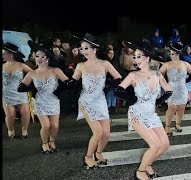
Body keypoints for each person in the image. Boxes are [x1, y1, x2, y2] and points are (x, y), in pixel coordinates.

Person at [115, 40, 172, 180]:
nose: (136, 59)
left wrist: (158, 102)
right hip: (137, 114)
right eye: (134, 56)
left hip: (151, 114)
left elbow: (169, 91)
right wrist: (131, 99)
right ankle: (140, 173)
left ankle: (147, 164)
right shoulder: (133, 75)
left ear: (147, 58)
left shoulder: (157, 74)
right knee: (155, 145)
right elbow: (118, 90)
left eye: (139, 56)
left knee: (164, 144)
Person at [71, 33, 122, 169]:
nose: (83, 51)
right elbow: (73, 83)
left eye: (86, 48)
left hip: (100, 100)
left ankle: (98, 153)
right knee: (98, 132)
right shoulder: (81, 65)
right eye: (82, 49)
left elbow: (118, 78)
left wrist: (113, 85)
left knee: (106, 133)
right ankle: (88, 157)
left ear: (94, 49)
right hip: (86, 101)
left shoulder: (105, 63)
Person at [18, 40, 72, 153]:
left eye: (42, 56)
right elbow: (21, 87)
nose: (39, 58)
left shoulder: (55, 70)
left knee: (55, 126)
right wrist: (31, 88)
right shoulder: (32, 73)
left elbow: (68, 83)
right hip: (39, 101)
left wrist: (64, 86)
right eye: (37, 56)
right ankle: (44, 143)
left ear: (47, 58)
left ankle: (52, 141)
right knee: (46, 125)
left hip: (53, 101)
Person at [159, 42, 191, 136]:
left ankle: (177, 125)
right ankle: (167, 128)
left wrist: (187, 80)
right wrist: (165, 82)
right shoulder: (167, 64)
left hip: (183, 88)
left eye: (172, 54)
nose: (171, 55)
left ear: (178, 54)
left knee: (181, 108)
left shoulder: (185, 64)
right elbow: (158, 75)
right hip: (171, 88)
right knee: (171, 108)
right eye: (170, 54)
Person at [2, 42, 33, 138]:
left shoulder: (21, 65)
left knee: (25, 112)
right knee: (10, 114)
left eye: (4, 53)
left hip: (20, 93)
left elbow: (33, 73)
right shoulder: (2, 66)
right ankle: (11, 130)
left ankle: (24, 131)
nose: (2, 55)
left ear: (10, 55)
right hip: (7, 94)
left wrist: (26, 83)